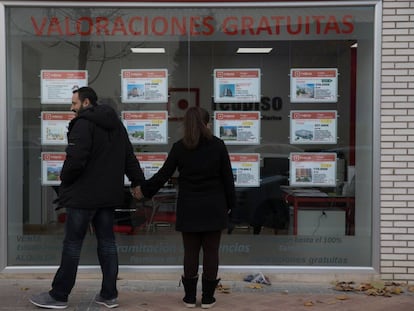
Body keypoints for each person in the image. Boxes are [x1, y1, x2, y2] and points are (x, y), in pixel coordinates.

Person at [30, 87, 145, 309]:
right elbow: (129, 157)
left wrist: (65, 179)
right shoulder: (117, 126)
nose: (71, 108)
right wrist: (137, 182)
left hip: (83, 196)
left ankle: (59, 295)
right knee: (107, 243)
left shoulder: (83, 124)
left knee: (73, 244)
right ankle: (109, 295)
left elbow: (76, 159)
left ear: (86, 102)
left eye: (74, 103)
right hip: (108, 196)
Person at [133, 107, 236, 309]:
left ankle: (189, 298)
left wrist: (144, 191)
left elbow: (163, 175)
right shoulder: (218, 146)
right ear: (206, 124)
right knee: (211, 252)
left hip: (189, 206)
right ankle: (207, 298)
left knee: (190, 252)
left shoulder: (180, 147)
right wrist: (232, 206)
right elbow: (227, 179)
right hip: (214, 206)